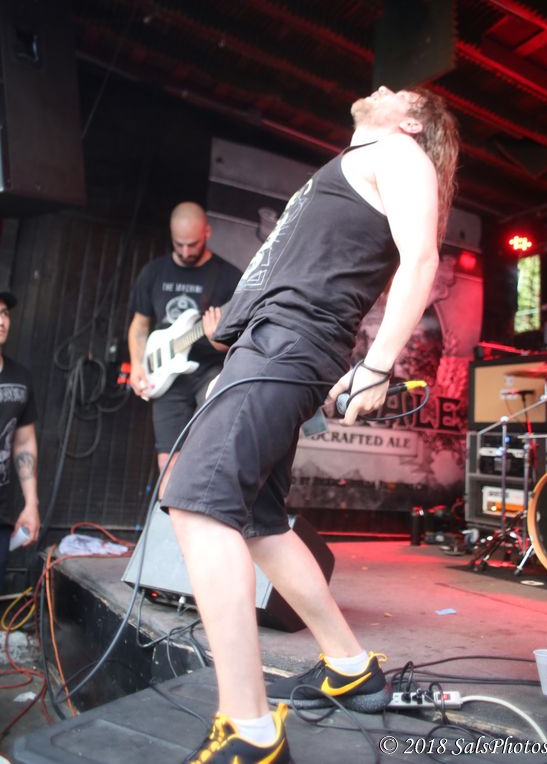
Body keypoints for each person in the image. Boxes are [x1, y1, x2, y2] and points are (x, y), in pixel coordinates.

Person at [162, 86, 460, 763]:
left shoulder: (400, 152)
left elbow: (421, 260)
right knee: (259, 524)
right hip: (275, 343)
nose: (381, 88)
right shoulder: (363, 160)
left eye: (398, 92)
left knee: (199, 505)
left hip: (289, 344)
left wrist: (378, 367)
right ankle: (351, 668)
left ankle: (250, 731)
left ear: (412, 121)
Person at [128, 203, 241, 488]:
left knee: (209, 449)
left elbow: (237, 342)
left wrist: (218, 338)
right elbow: (140, 325)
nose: (187, 251)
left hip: (210, 372)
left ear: (207, 233)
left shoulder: (229, 278)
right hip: (167, 376)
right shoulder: (153, 273)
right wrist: (137, 365)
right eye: (180, 244)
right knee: (168, 462)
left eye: (193, 244)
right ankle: (168, 512)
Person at [0, 291, 40, 595]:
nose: (1, 321)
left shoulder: (20, 377)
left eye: (4, 313)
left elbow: (24, 442)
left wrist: (31, 504)